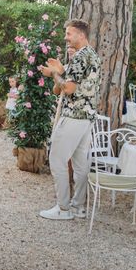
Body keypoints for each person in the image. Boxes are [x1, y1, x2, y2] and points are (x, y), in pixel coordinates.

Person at [38, 19, 101, 220]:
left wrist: (54, 73)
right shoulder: (92, 54)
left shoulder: (80, 57)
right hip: (87, 117)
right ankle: (78, 208)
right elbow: (76, 83)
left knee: (56, 159)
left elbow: (69, 89)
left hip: (74, 116)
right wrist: (62, 72)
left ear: (81, 35)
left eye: (69, 34)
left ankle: (63, 209)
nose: (66, 38)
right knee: (81, 164)